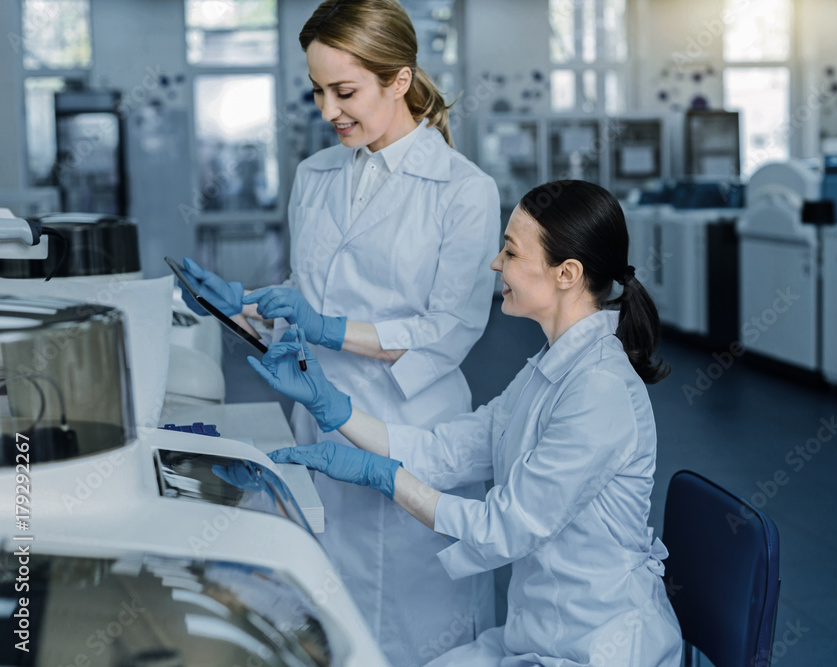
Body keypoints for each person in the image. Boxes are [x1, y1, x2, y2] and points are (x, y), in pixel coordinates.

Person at [179, 1, 500, 663]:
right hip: (319, 421)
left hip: (413, 428)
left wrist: (327, 327)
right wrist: (240, 308)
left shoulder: (463, 190)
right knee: (327, 618)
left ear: (399, 80)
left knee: (414, 631)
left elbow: (447, 330)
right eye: (318, 91)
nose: (329, 110)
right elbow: (305, 295)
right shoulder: (316, 175)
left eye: (345, 92)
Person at [252, 180, 685, 666]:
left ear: (567, 273)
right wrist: (333, 408)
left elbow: (504, 526)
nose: (496, 264)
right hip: (539, 634)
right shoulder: (550, 367)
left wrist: (385, 477)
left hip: (598, 646)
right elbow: (450, 451)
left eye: (511, 251)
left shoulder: (599, 389)